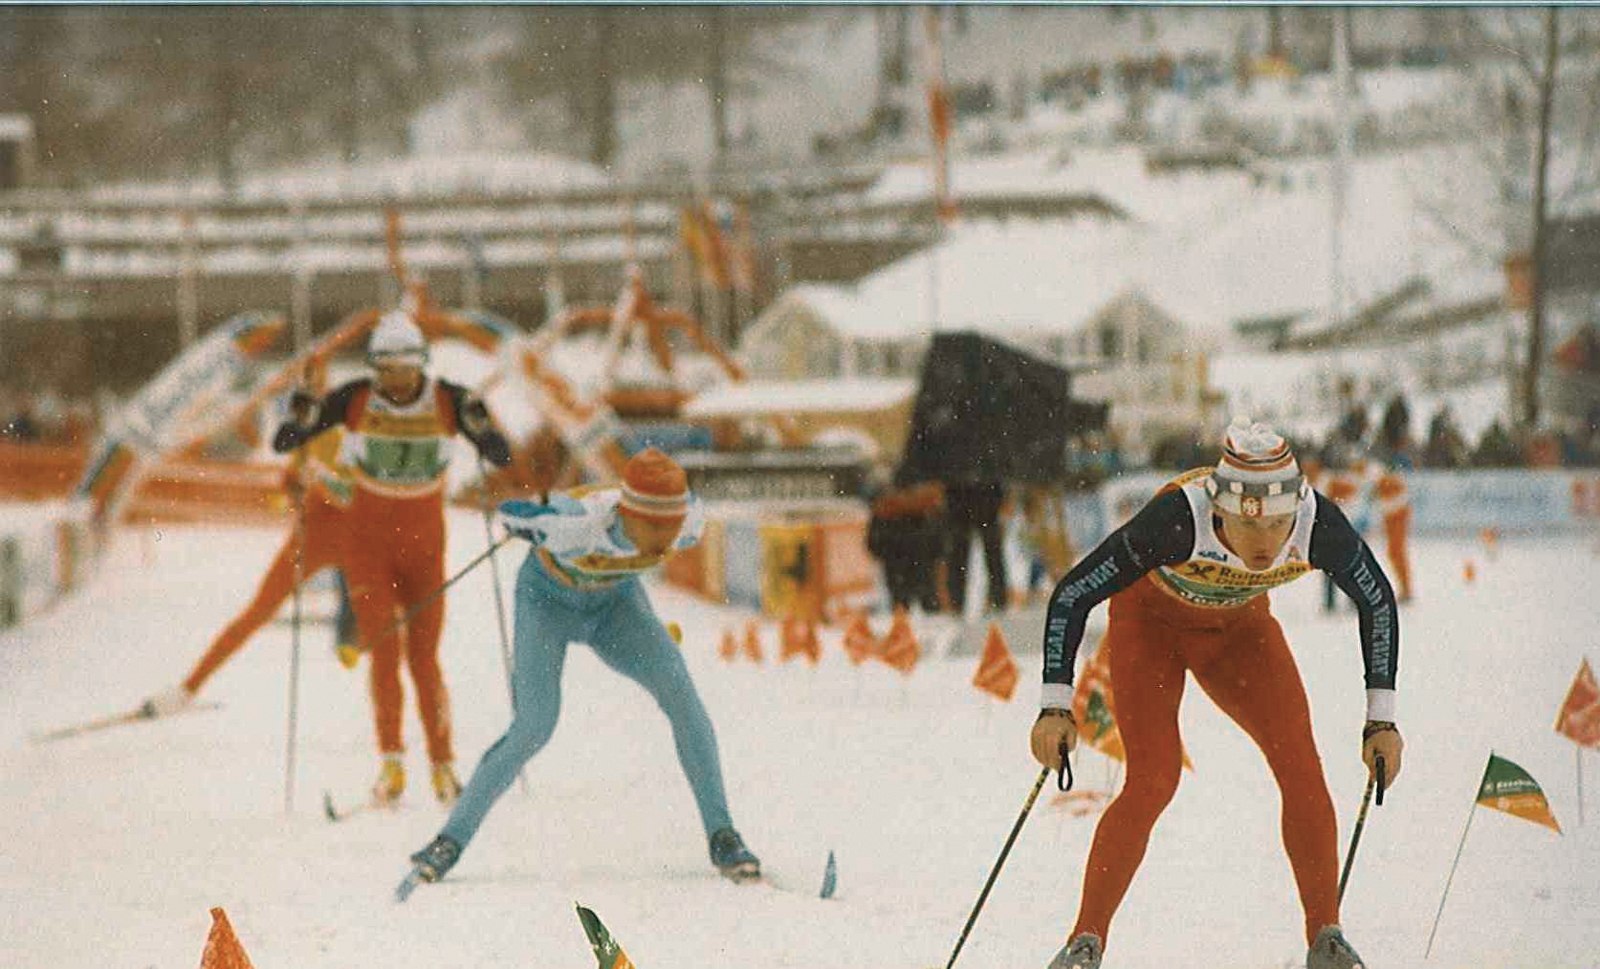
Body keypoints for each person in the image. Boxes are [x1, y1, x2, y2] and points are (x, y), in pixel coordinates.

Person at [1028, 420, 1402, 969]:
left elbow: (1378, 601)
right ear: (1218, 509)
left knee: (1301, 766)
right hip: (1148, 627)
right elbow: (1074, 593)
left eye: (1278, 526)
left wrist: (1382, 721)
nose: (1265, 543)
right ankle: (1085, 940)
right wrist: (1054, 706)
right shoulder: (1179, 517)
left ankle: (1326, 936)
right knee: (1154, 780)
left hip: (1239, 632)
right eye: (1247, 529)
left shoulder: (1317, 522)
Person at [402, 448, 761, 890]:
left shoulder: (686, 526)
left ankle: (723, 836)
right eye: (652, 527)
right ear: (628, 514)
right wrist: (526, 519)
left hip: (616, 609)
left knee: (684, 702)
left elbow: (688, 513)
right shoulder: (575, 526)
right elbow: (510, 511)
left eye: (670, 527)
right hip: (547, 604)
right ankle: (448, 841)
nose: (662, 540)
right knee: (535, 726)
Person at [272, 311, 511, 805]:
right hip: (368, 546)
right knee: (383, 653)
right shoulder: (355, 397)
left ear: (420, 365)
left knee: (424, 660)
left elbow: (501, 456)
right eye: (384, 370)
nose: (393, 381)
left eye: (402, 369)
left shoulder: (449, 399)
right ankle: (392, 765)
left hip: (424, 548)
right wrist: (299, 416)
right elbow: (285, 443)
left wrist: (482, 425)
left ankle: (444, 767)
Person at [141, 419, 360, 718]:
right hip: (313, 539)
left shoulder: (367, 440)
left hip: (354, 539)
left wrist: (319, 488)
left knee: (380, 608)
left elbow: (369, 496)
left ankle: (364, 661)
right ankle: (187, 689)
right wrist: (298, 493)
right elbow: (291, 483)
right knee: (257, 612)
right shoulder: (319, 437)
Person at [866, 480, 947, 613]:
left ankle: (901, 622)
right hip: (922, 553)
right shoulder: (926, 502)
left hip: (894, 555)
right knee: (928, 596)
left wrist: (878, 550)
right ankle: (932, 619)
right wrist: (938, 550)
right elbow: (938, 532)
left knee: (899, 599)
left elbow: (875, 536)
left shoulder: (886, 505)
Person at [942, 479, 1009, 615]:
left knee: (989, 551)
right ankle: (957, 602)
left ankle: (997, 599)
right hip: (966, 494)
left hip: (978, 494)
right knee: (961, 551)